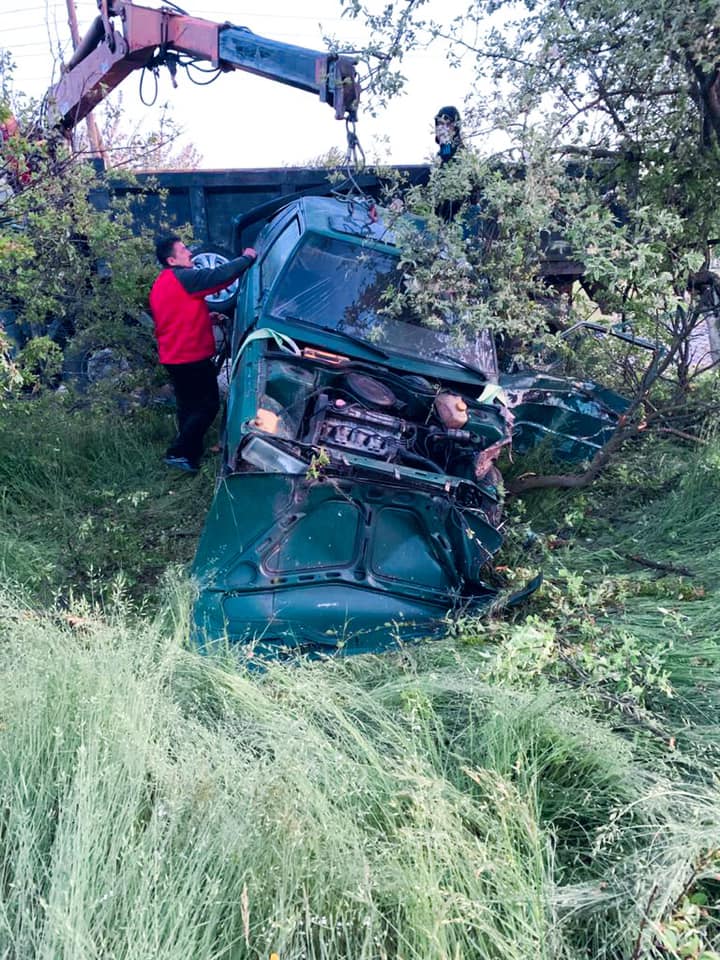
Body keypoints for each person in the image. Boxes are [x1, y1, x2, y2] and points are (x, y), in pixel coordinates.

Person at [150, 235, 257, 473]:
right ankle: (178, 453)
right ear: (172, 260)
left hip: (173, 357)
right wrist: (246, 258)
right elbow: (219, 277)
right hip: (190, 358)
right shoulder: (186, 277)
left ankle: (190, 453)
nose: (189, 253)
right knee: (208, 405)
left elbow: (173, 315)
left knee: (187, 406)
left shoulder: (163, 281)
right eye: (183, 250)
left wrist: (206, 318)